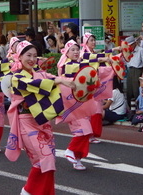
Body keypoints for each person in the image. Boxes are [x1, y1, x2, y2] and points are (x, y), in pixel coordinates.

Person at [4, 40, 75, 195]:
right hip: (26, 123)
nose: (32, 59)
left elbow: (49, 78)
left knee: (49, 162)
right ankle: (28, 191)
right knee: (43, 159)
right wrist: (60, 80)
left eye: (35, 56)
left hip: (43, 122)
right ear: (19, 56)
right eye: (28, 55)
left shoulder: (39, 73)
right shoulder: (15, 77)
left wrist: (72, 81)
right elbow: (36, 84)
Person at [57, 40, 113, 170]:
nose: (76, 52)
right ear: (66, 53)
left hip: (83, 102)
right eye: (72, 50)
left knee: (86, 131)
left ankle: (77, 158)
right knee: (83, 130)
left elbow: (90, 62)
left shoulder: (79, 63)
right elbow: (89, 62)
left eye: (77, 49)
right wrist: (104, 58)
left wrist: (108, 60)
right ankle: (70, 150)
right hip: (73, 104)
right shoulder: (68, 65)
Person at [80, 32, 120, 143]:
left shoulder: (92, 53)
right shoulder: (83, 53)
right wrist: (105, 58)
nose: (94, 42)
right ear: (85, 42)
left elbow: (101, 55)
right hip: (87, 86)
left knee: (96, 109)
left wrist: (114, 49)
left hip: (95, 85)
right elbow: (98, 57)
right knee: (90, 110)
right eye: (91, 40)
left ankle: (91, 134)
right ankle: (87, 134)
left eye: (94, 40)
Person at [125, 36, 143, 108]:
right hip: (130, 70)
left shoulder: (141, 50)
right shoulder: (128, 51)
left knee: (136, 90)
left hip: (138, 71)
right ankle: (131, 109)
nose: (130, 46)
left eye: (131, 45)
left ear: (134, 43)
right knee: (129, 90)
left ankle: (138, 108)